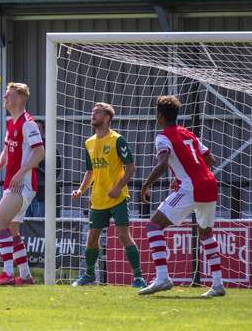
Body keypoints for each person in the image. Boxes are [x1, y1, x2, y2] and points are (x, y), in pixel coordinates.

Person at [138, 96, 225, 298]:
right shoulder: (188, 134)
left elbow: (161, 165)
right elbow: (210, 159)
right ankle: (218, 284)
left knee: (153, 226)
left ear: (159, 115)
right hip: (210, 185)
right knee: (206, 234)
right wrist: (184, 175)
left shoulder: (163, 137)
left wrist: (145, 184)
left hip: (190, 189)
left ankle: (162, 278)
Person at [71, 103, 145, 288]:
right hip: (98, 198)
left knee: (122, 234)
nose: (93, 114)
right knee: (92, 237)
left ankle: (138, 277)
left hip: (118, 198)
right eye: (92, 112)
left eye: (97, 112)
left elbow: (130, 167)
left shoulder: (117, 140)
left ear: (107, 118)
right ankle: (88, 275)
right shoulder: (88, 142)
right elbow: (90, 171)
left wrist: (119, 187)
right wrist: (81, 190)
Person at [0, 82, 45, 286]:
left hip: (22, 184)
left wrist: (20, 173)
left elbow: (40, 153)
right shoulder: (12, 122)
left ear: (21, 98)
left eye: (9, 95)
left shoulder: (28, 123)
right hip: (15, 182)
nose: (5, 98)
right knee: (12, 228)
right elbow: (6, 150)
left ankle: (8, 273)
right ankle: (26, 276)